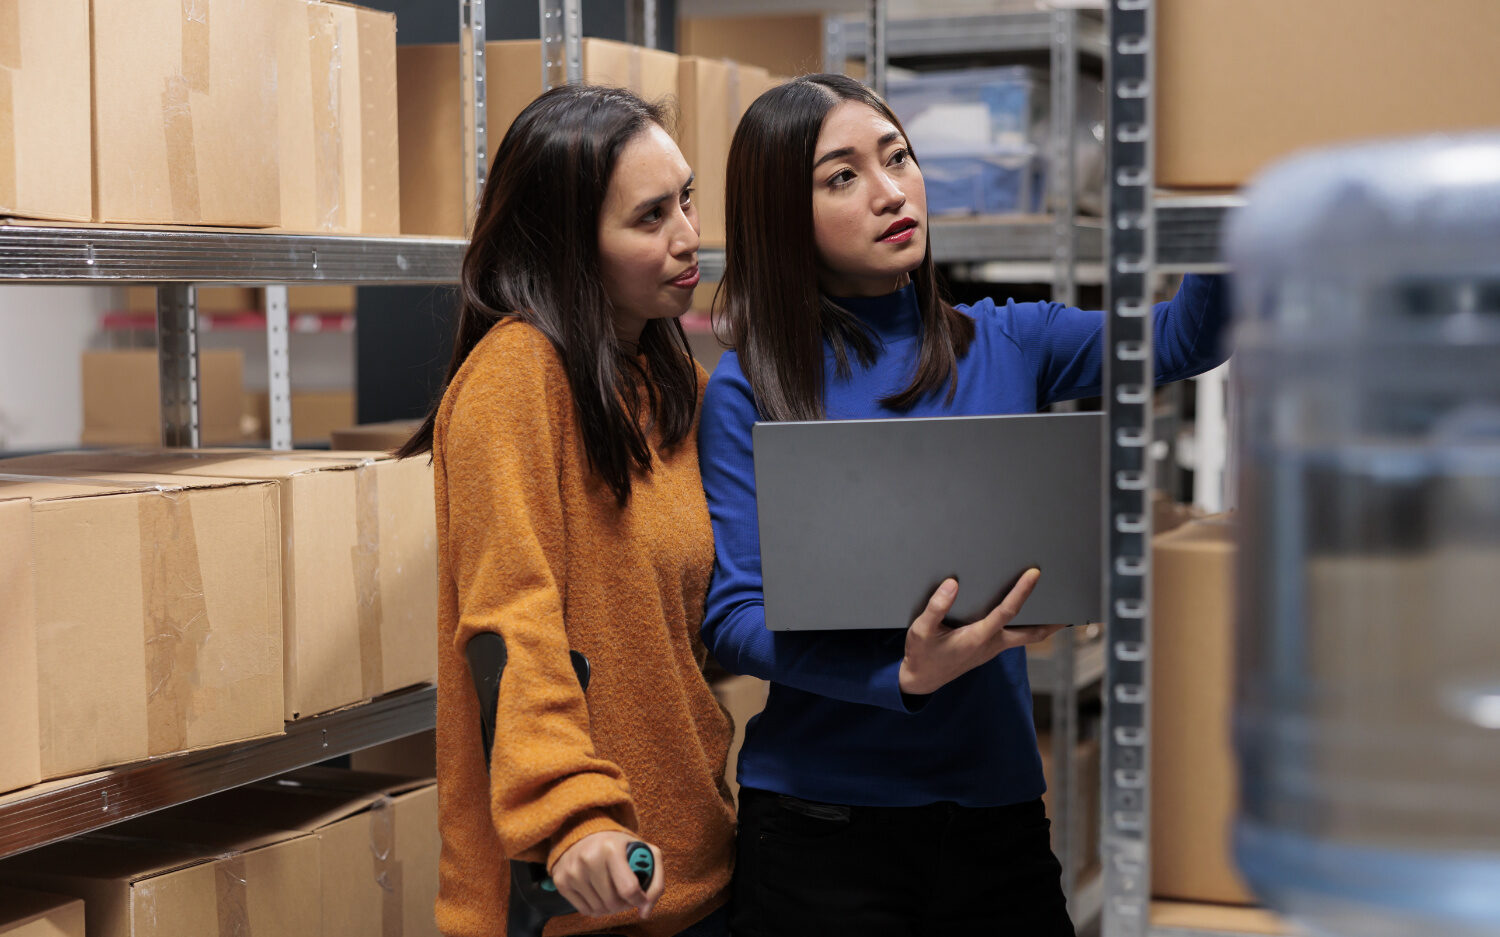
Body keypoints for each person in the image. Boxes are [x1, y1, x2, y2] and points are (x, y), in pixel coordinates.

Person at [698, 73, 1230, 937]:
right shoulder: (749, 385)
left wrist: (1217, 193)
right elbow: (732, 616)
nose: (890, 190)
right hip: (817, 829)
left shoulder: (1008, 340)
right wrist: (900, 676)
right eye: (842, 176)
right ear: (781, 217)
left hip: (997, 816)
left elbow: (1184, 337)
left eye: (897, 157)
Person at [398, 85, 734, 937]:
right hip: (573, 893)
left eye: (686, 200)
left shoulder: (667, 385)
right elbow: (512, 626)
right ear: (569, 246)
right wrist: (571, 815)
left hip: (695, 875)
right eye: (650, 217)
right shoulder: (515, 379)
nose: (689, 237)